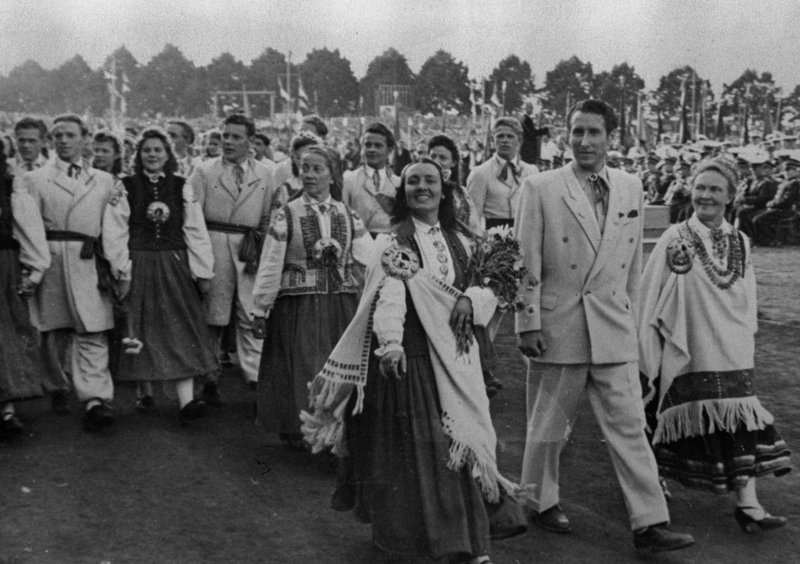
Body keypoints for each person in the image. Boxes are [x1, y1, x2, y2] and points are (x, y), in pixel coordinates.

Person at [302, 158, 521, 564]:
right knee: (430, 450)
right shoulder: (393, 241)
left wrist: (470, 300)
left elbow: (488, 285)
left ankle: (469, 538)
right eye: (413, 181)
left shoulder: (464, 240)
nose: (422, 187)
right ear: (403, 192)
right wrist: (391, 344)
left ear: (444, 190)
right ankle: (443, 542)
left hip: (456, 355)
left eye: (430, 180)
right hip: (413, 356)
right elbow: (389, 295)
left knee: (464, 437)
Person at [514, 99, 695, 555]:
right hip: (558, 325)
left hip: (613, 326)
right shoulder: (540, 187)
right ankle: (538, 500)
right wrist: (527, 321)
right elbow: (524, 261)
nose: (584, 141)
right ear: (566, 135)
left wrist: (632, 323)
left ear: (611, 138)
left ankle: (650, 522)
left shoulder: (631, 187)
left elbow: (632, 265)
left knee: (630, 427)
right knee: (549, 426)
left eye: (594, 132)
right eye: (577, 131)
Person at [639, 156, 791, 533]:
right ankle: (651, 486)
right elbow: (649, 294)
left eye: (714, 189)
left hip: (729, 345)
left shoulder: (741, 241)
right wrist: (647, 348)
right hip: (684, 344)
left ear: (730, 197)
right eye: (700, 187)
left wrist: (743, 338)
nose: (705, 196)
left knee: (739, 417)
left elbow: (747, 297)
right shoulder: (675, 238)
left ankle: (748, 504)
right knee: (661, 414)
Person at [251, 145, 372, 447]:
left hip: (340, 306)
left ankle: (333, 431)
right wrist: (261, 308)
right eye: (305, 168)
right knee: (303, 367)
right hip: (297, 306)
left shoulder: (349, 215)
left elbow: (368, 260)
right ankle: (304, 430)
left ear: (332, 175)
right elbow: (271, 263)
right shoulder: (287, 214)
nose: (309, 175)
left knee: (336, 367)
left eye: (318, 169)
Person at [20, 114, 130, 430]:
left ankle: (96, 400)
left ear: (85, 139)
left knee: (93, 329)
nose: (64, 141)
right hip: (50, 258)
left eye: (70, 135)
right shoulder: (34, 179)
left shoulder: (105, 180)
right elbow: (27, 227)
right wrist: (33, 266)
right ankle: (57, 383)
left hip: (88, 260)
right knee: (50, 331)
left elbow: (115, 229)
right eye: (58, 135)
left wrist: (121, 269)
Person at [116, 128, 217, 423]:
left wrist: (202, 270)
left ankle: (187, 401)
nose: (152, 155)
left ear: (167, 154)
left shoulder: (181, 186)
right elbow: (116, 230)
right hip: (139, 262)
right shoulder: (125, 186)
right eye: (146, 150)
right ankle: (144, 392)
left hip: (174, 263)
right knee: (140, 325)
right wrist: (122, 269)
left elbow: (195, 229)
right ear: (138, 155)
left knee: (179, 327)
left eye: (158, 150)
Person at [188, 114, 276, 402]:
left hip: (249, 249)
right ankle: (208, 378)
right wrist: (200, 260)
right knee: (213, 317)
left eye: (236, 137)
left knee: (251, 315)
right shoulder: (203, 170)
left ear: (251, 141)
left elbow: (268, 215)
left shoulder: (266, 173)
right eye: (225, 135)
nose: (228, 142)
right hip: (214, 246)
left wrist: (261, 249)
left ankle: (256, 381)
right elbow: (192, 217)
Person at [0, 138, 55, 435]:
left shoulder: (12, 187)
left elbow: (29, 229)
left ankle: (6, 411)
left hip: (3, 265)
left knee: (5, 334)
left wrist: (35, 269)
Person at [467, 117, 538, 230]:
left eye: (510, 136)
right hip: (492, 236)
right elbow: (473, 220)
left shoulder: (531, 171)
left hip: (524, 234)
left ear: (519, 140)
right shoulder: (480, 173)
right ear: (492, 140)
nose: (505, 140)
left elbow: (536, 213)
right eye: (500, 136)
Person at [342, 122, 401, 236]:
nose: (371, 150)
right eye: (367, 145)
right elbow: (343, 220)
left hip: (390, 244)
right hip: (358, 243)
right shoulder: (349, 179)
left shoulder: (398, 182)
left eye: (378, 146)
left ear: (389, 150)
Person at [751, 154, 800, 245]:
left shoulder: (795, 183)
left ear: (797, 171)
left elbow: (787, 201)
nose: (787, 172)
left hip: (786, 210)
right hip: (779, 208)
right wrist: (772, 203)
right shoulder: (786, 182)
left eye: (790, 170)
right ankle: (761, 240)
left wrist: (771, 204)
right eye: (785, 170)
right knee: (752, 216)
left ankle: (770, 240)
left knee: (758, 219)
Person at [733, 153, 777, 238]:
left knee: (742, 212)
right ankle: (739, 233)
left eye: (755, 169)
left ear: (760, 169)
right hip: (753, 205)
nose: (752, 172)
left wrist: (745, 199)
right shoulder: (753, 181)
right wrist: (741, 199)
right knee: (736, 210)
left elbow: (762, 199)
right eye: (752, 169)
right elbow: (747, 193)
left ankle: (743, 235)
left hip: (762, 206)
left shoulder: (766, 182)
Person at [520, 101, 550, 165]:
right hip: (528, 148)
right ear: (526, 108)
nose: (532, 110)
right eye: (531, 108)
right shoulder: (526, 119)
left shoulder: (524, 119)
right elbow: (532, 133)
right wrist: (544, 131)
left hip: (526, 147)